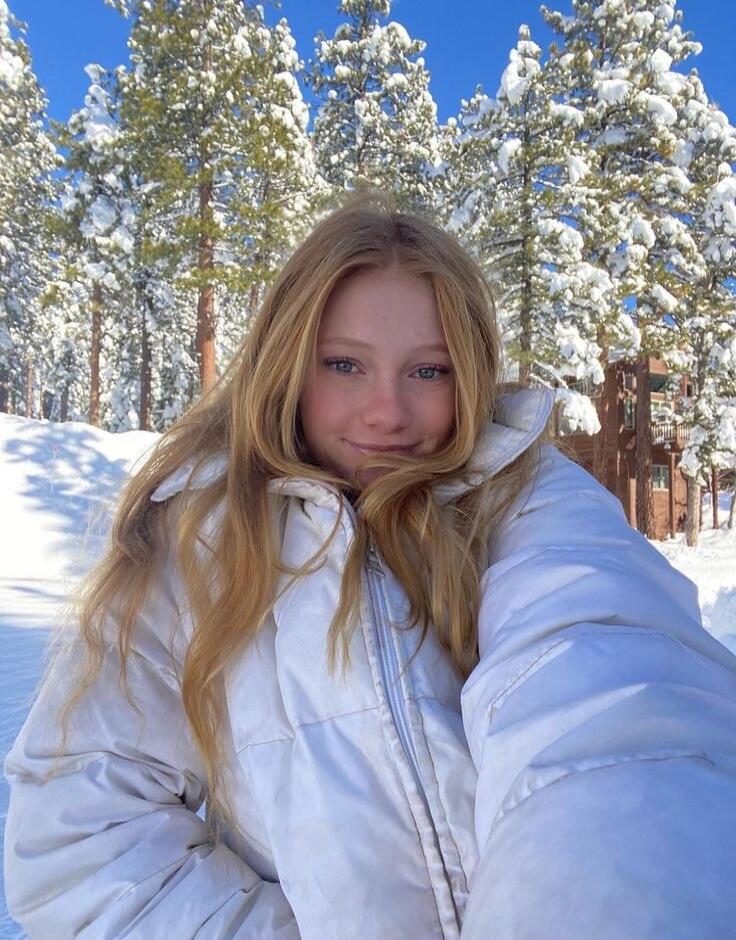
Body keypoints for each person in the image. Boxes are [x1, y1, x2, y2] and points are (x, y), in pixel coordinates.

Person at [4, 194, 736, 940]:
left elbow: (617, 707)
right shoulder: (203, 542)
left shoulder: (525, 499)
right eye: (345, 365)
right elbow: (79, 837)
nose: (386, 412)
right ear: (288, 365)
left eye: (428, 370)